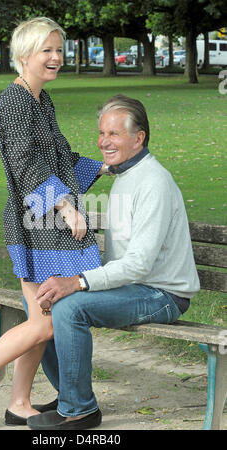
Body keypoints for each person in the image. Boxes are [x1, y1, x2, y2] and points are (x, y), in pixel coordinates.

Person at [0, 17, 108, 430]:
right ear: (24, 56)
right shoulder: (15, 101)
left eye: (60, 49)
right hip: (34, 225)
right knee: (43, 322)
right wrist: (67, 208)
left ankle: (19, 401)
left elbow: (59, 155)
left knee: (44, 319)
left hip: (46, 225)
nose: (57, 57)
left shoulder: (40, 100)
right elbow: (26, 164)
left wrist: (102, 167)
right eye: (47, 51)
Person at [27, 94, 201, 430]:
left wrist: (77, 282)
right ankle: (70, 394)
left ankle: (80, 410)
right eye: (102, 133)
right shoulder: (125, 176)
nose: (104, 142)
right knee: (46, 301)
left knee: (69, 307)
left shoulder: (153, 182)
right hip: (135, 285)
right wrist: (68, 275)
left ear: (139, 138)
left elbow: (138, 265)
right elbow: (120, 256)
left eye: (114, 134)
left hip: (162, 293)